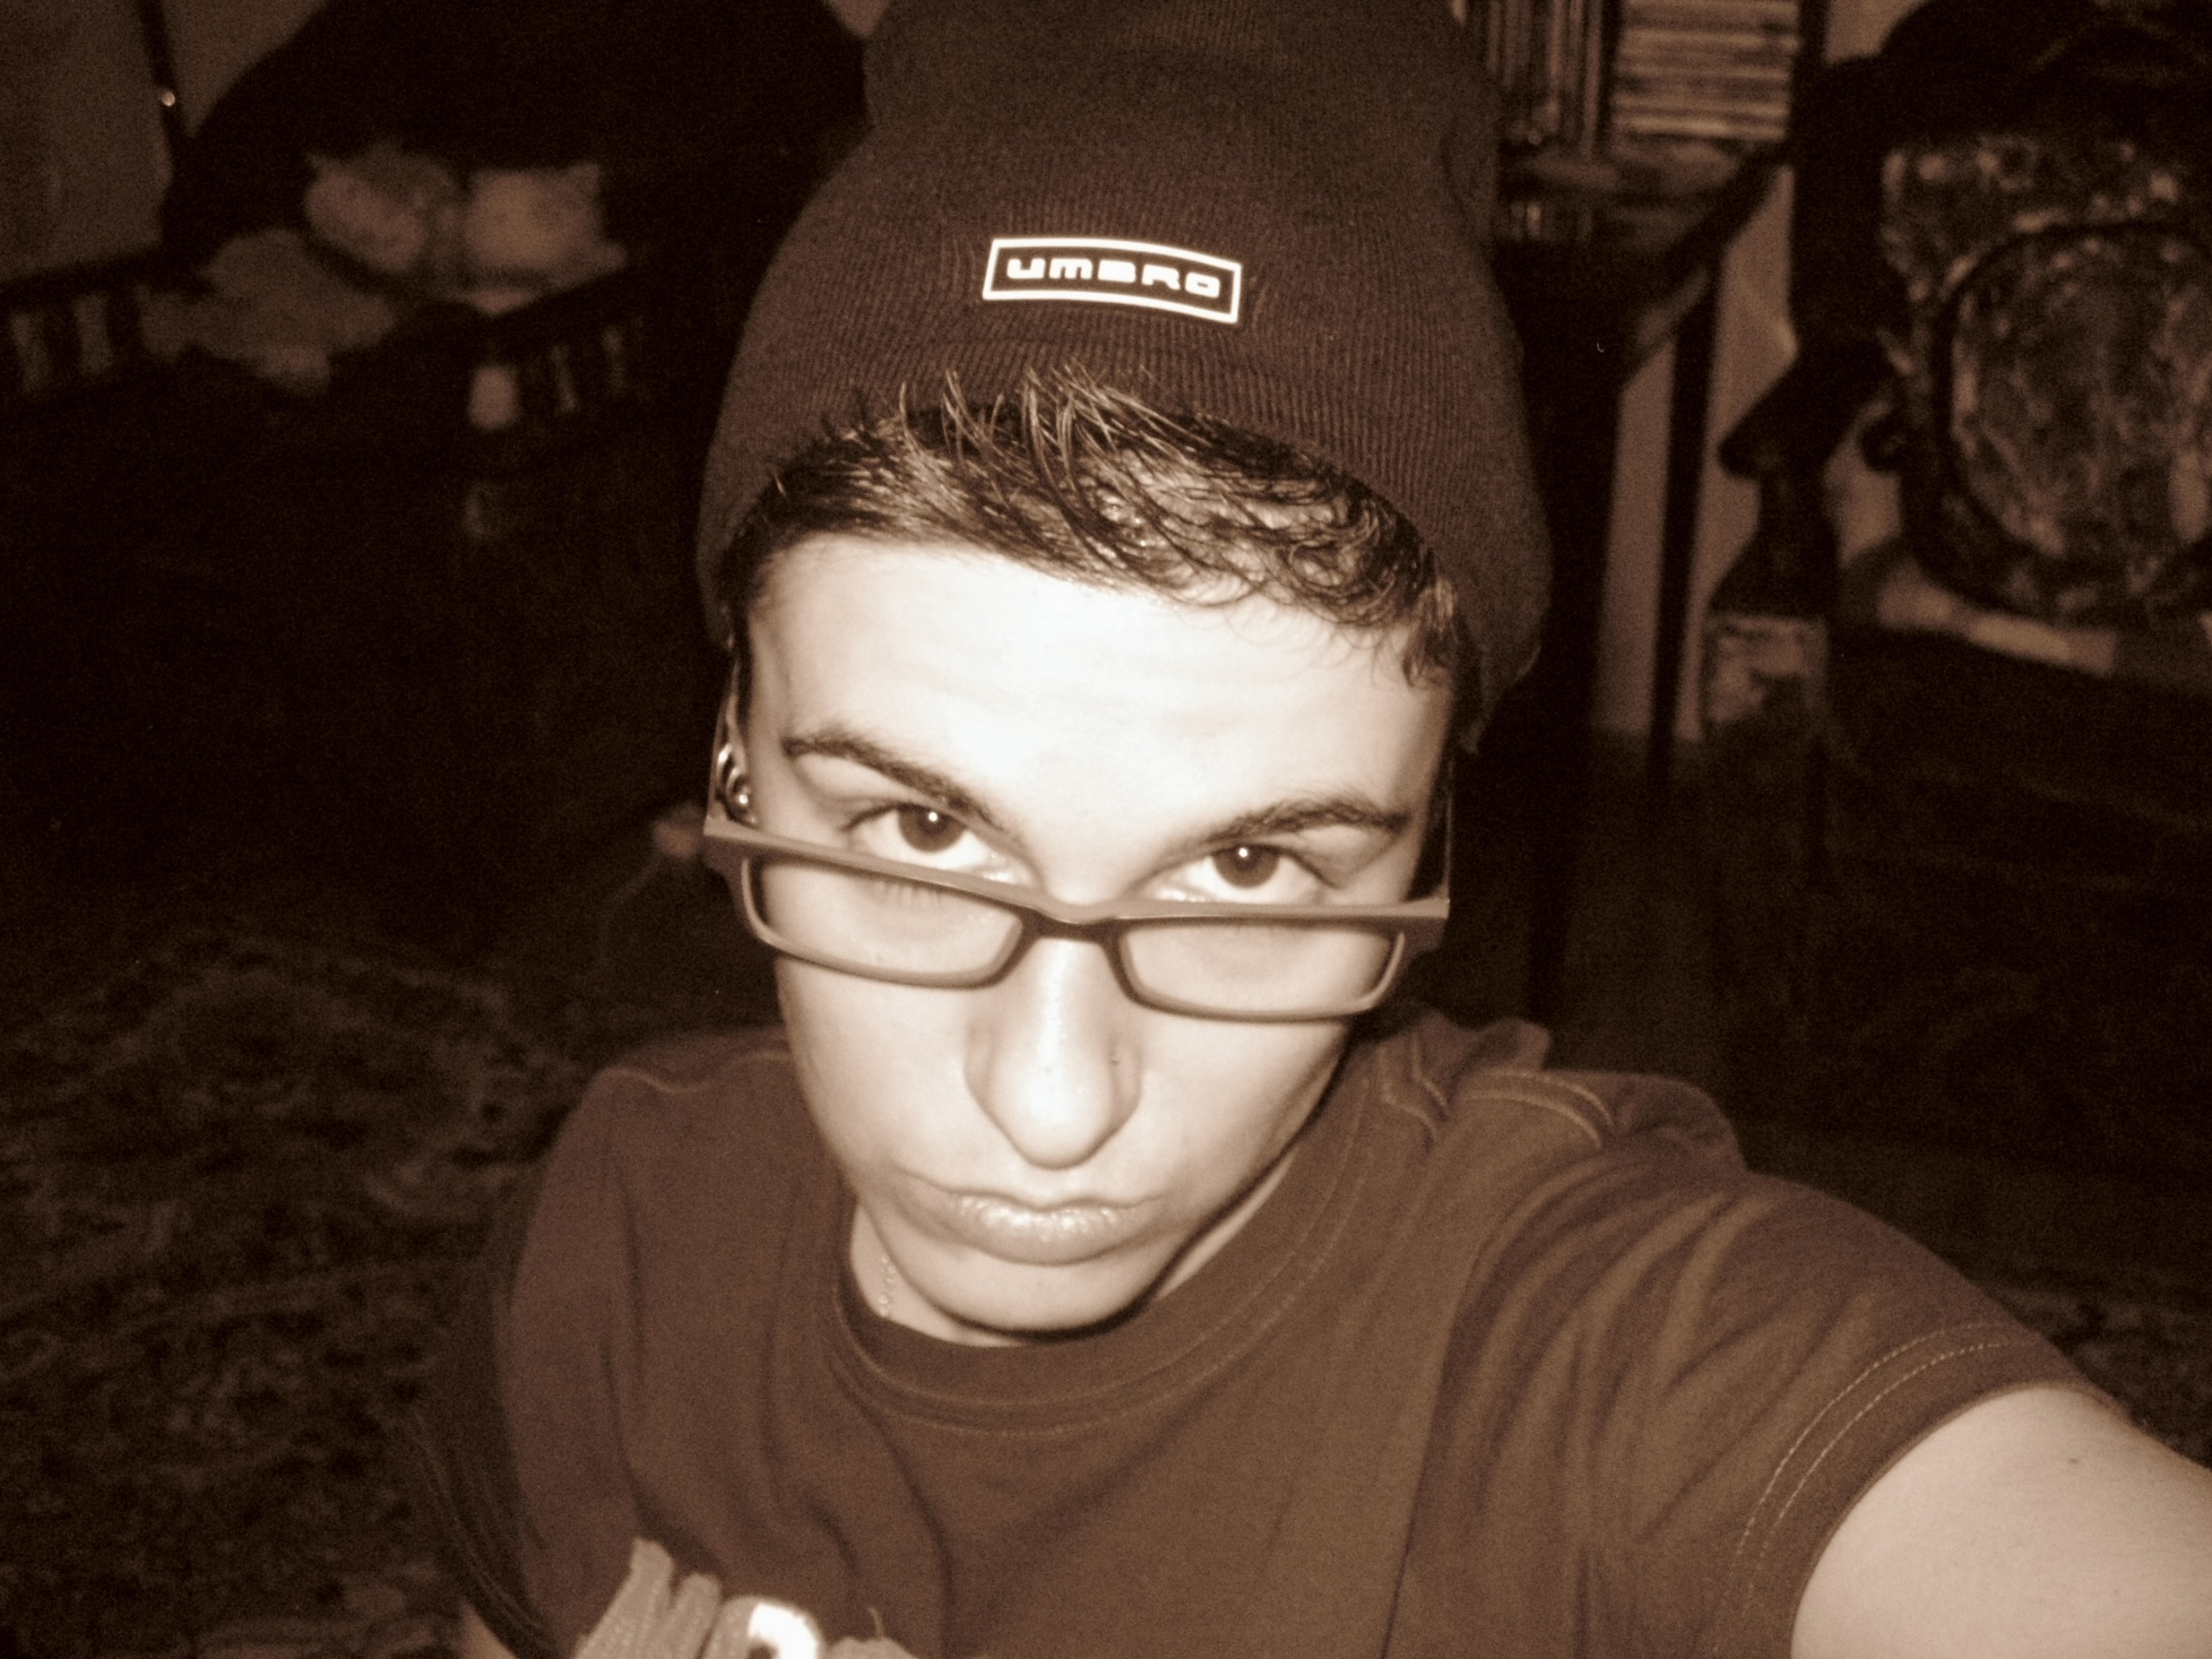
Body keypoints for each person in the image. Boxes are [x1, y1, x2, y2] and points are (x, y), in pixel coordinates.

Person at [398, 1, 2212, 1656]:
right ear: (730, 754)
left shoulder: (1587, 1362)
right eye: (918, 830)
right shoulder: (604, 1254)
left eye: (1248, 867)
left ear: (1431, 836)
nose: (1052, 1104)